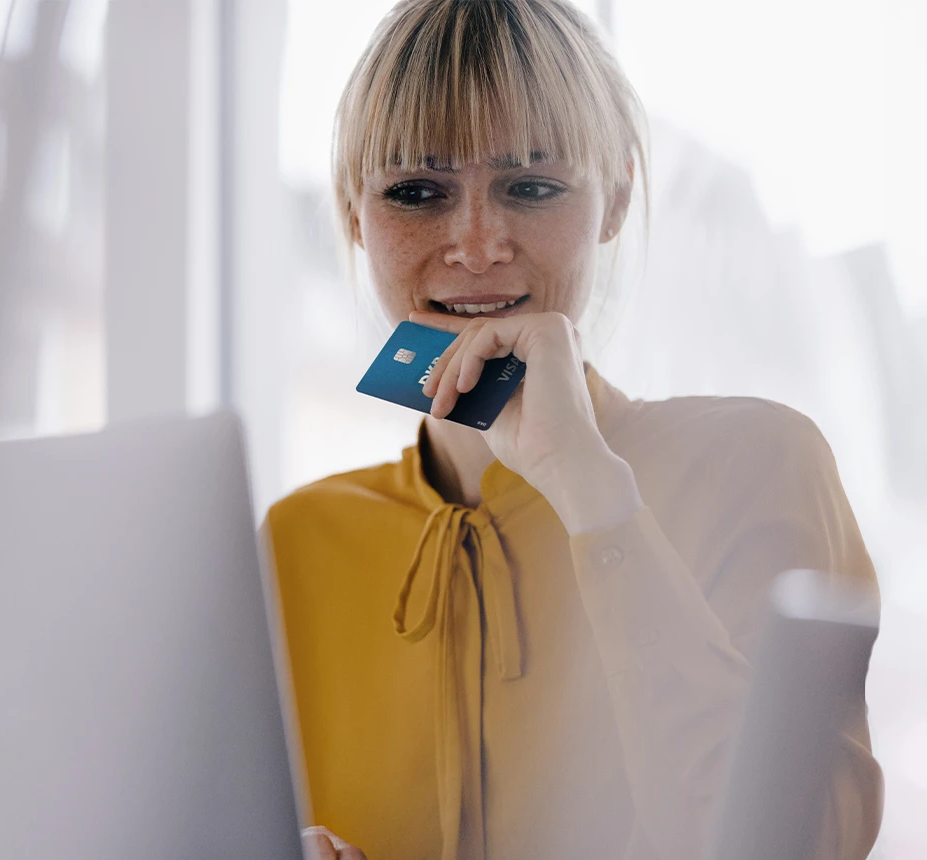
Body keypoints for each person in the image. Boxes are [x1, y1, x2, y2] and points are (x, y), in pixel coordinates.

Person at [261, 1, 883, 858]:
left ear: (616, 198)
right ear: (354, 216)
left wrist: (593, 494)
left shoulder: (759, 463)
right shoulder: (296, 543)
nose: (476, 245)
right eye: (416, 191)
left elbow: (794, 845)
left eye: (531, 186)